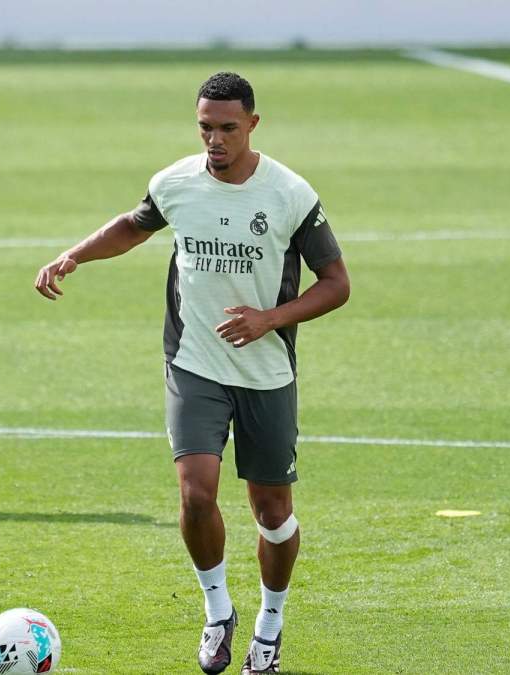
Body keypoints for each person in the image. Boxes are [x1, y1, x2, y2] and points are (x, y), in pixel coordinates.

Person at [34, 71, 349, 674]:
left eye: (228, 128)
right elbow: (134, 226)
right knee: (196, 493)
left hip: (265, 372)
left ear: (253, 125)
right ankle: (217, 612)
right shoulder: (175, 183)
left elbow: (338, 284)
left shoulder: (290, 194)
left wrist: (270, 319)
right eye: (206, 128)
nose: (216, 140)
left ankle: (270, 625)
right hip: (194, 363)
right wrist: (73, 255)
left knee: (272, 512)